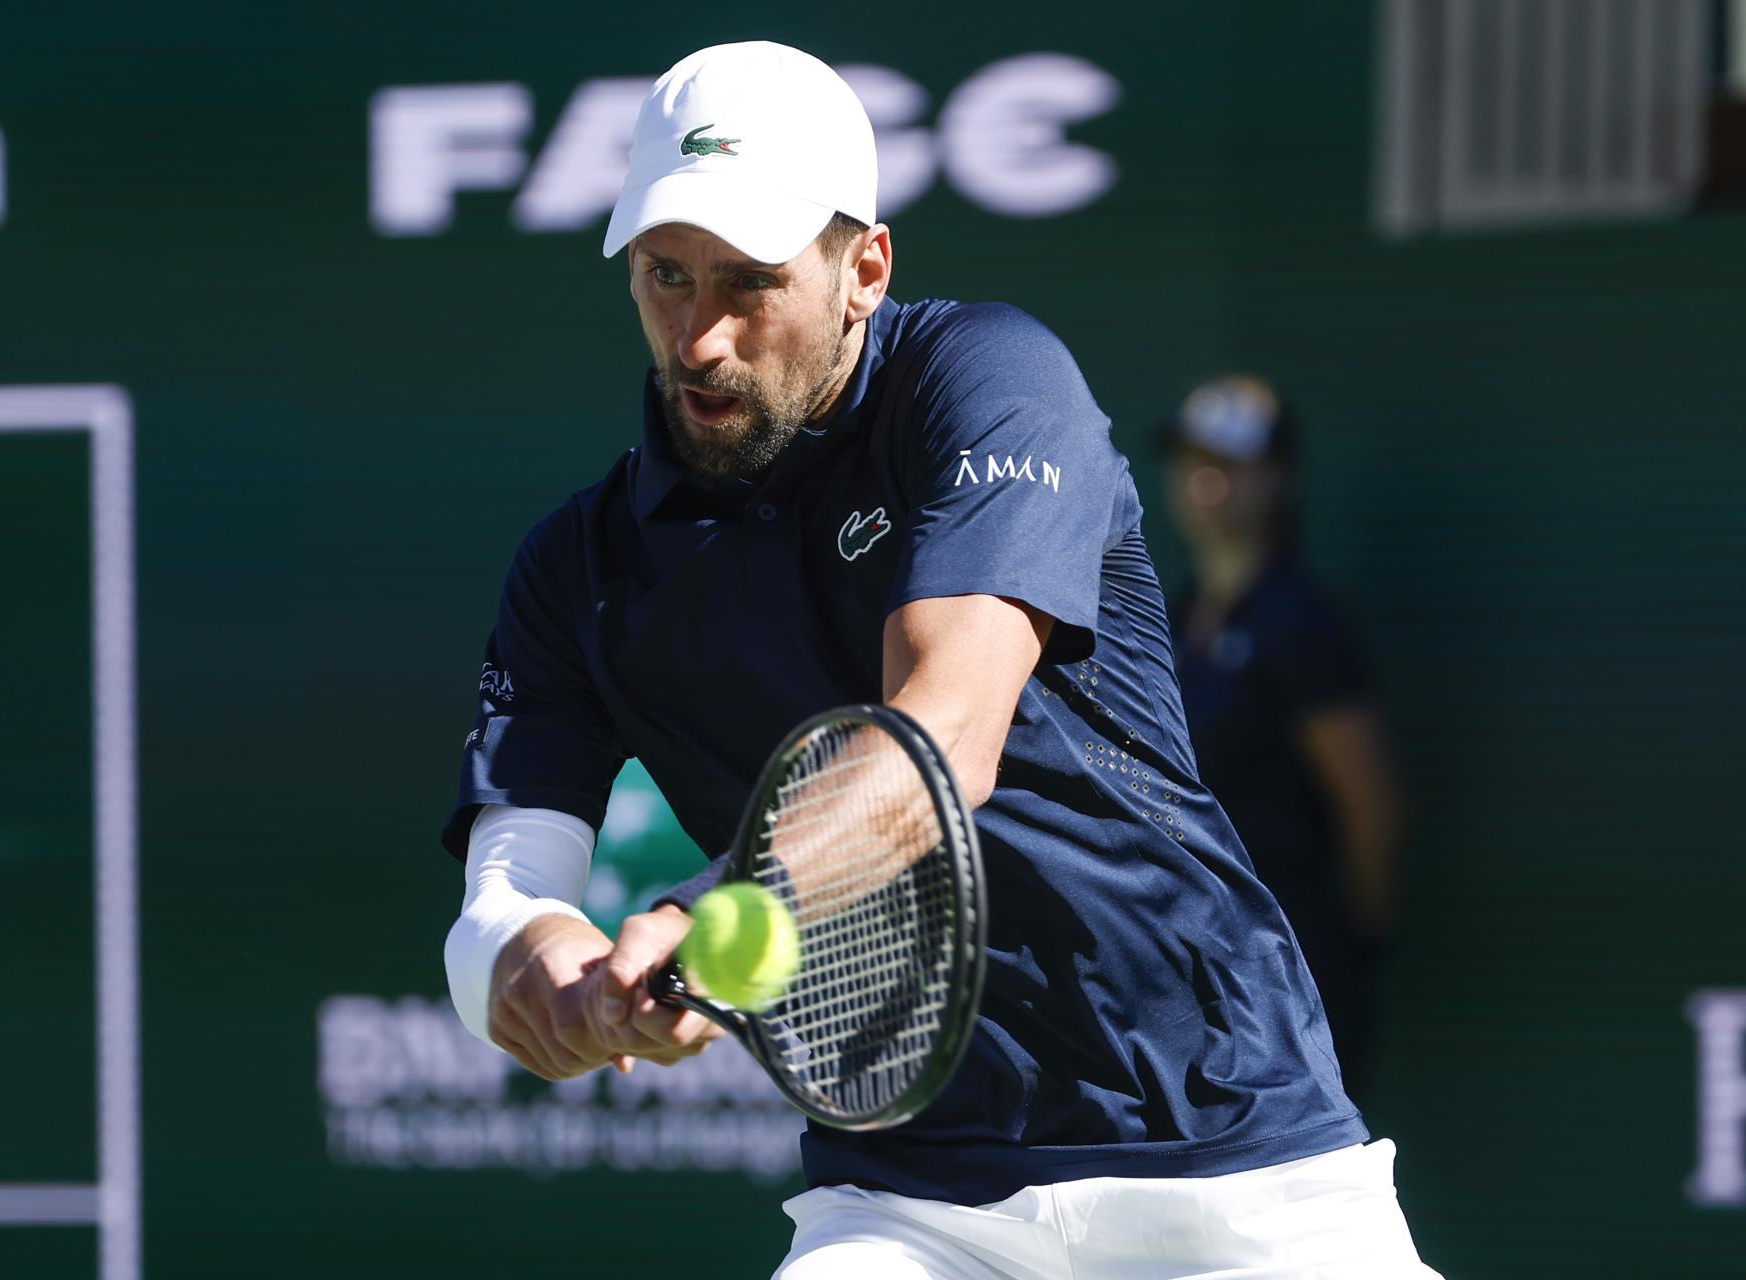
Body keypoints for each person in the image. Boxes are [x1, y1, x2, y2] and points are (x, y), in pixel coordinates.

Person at [439, 41, 1438, 1279]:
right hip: (910, 1201)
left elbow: (939, 741)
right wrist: (542, 972)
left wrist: (709, 912)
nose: (699, 337)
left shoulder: (988, 379)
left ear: (864, 270)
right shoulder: (572, 568)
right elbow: (503, 897)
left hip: (1233, 1161)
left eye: (749, 281)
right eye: (665, 275)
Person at [1159, 377, 1405, 1102]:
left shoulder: (1303, 622)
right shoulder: (1171, 619)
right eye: (1192, 459)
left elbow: (1373, 809)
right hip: (1186, 979)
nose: (1208, 481)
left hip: (1292, 980)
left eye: (1231, 462)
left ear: (1280, 478)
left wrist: (1348, 955)